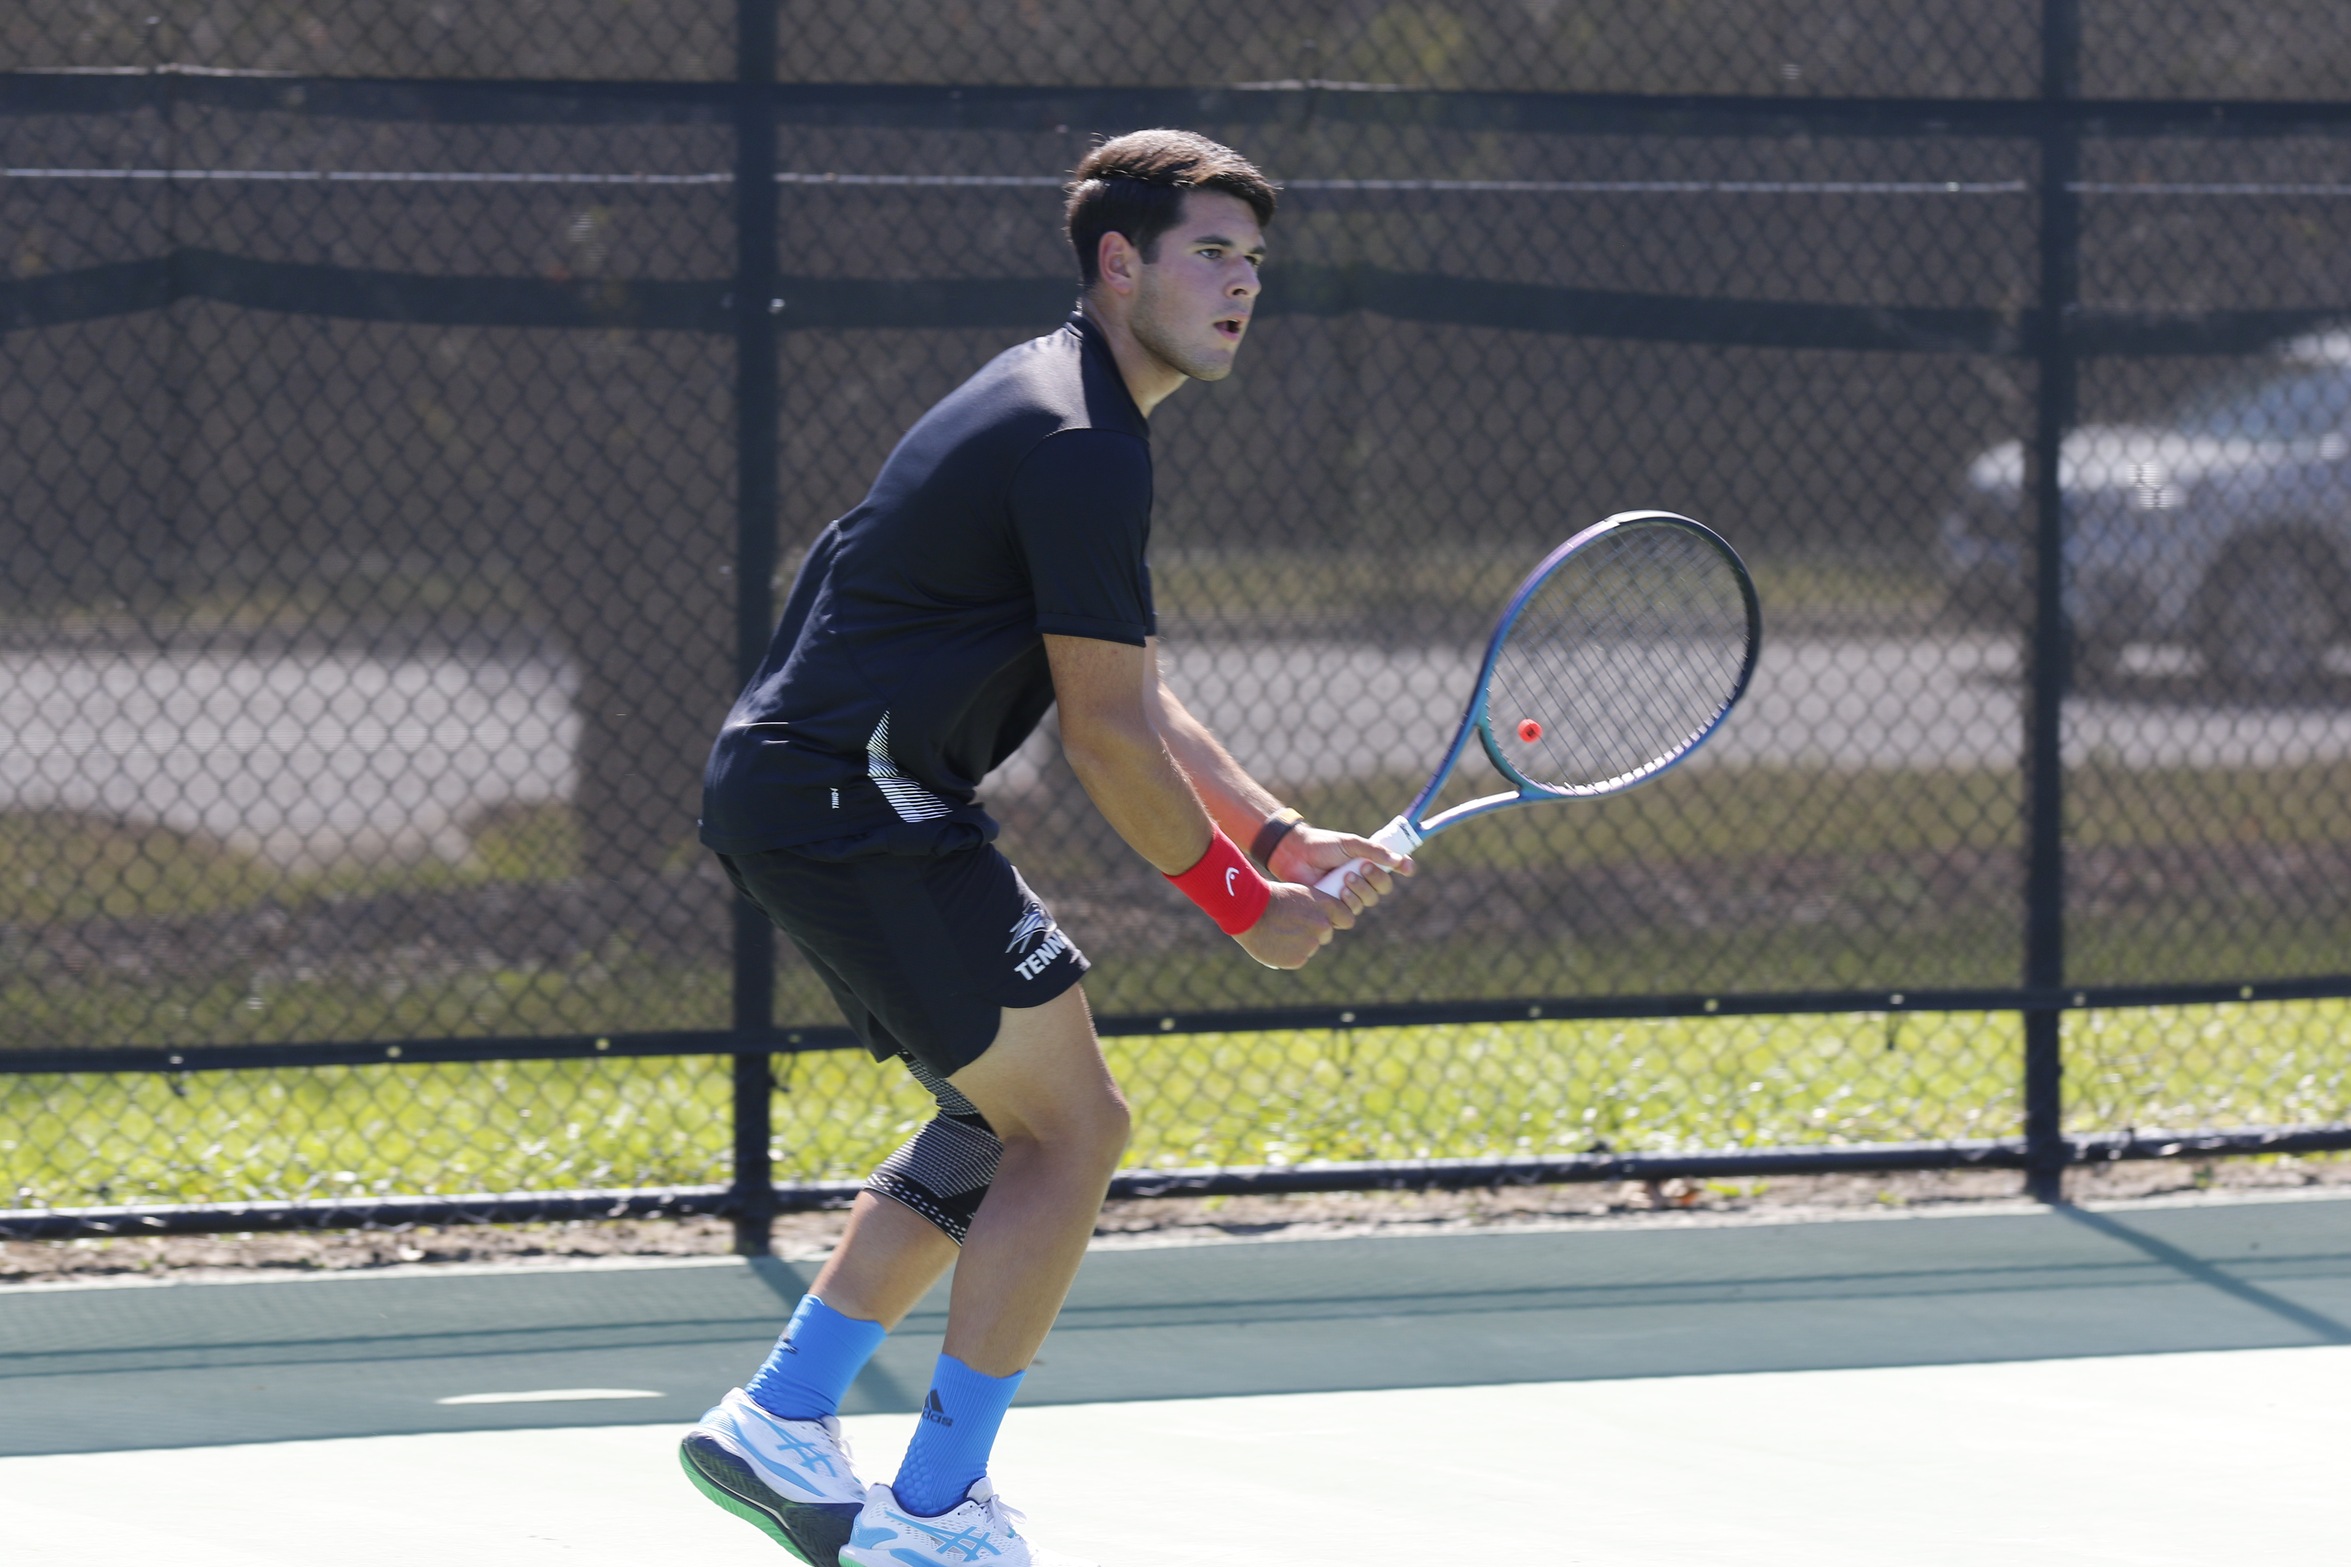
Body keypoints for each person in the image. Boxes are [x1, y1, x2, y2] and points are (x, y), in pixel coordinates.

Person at [678, 128, 1409, 1567]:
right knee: (1075, 1132)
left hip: (813, 796)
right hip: (857, 804)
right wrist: (1240, 903)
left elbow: (1132, 690)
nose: (1240, 284)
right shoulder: (1082, 444)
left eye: (1254, 260)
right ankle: (935, 1511)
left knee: (1001, 1117)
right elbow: (1107, 740)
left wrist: (1268, 829)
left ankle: (788, 1411)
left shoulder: (1055, 402)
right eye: (1210, 252)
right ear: (1118, 262)